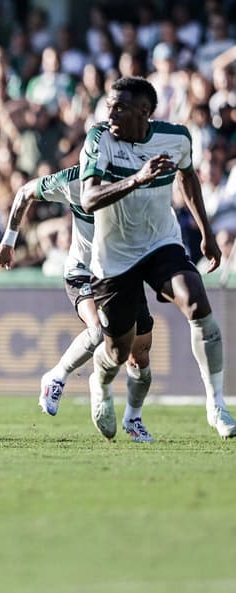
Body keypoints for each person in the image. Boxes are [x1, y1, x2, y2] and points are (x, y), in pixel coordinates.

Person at [79, 76, 234, 439]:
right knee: (119, 352)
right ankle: (100, 382)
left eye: (120, 108)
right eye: (109, 107)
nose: (111, 114)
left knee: (196, 302)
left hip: (159, 243)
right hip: (115, 257)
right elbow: (88, 199)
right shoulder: (99, 138)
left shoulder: (176, 137)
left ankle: (217, 405)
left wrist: (207, 234)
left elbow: (188, 177)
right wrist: (137, 178)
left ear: (144, 112)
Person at [0, 164, 156, 442]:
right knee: (97, 330)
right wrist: (9, 241)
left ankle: (133, 417)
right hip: (83, 272)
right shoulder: (73, 180)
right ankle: (56, 377)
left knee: (140, 356)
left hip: (123, 273)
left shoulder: (133, 177)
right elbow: (25, 192)